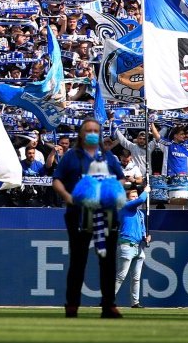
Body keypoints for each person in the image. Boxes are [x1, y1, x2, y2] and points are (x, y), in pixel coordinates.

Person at [51, 118, 126, 319]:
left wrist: (114, 190)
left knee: (108, 261)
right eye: (88, 130)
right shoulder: (71, 156)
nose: (92, 133)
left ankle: (109, 305)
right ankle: (72, 305)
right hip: (78, 214)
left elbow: (120, 177)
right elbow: (56, 180)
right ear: (81, 134)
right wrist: (68, 197)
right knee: (78, 260)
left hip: (106, 214)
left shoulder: (108, 157)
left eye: (96, 130)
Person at [114, 187, 149, 309]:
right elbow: (141, 199)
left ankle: (135, 302)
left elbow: (142, 229)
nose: (135, 198)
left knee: (136, 278)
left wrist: (145, 238)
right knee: (121, 276)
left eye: (136, 196)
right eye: (132, 196)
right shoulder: (126, 206)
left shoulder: (140, 214)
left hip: (138, 247)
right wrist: (146, 190)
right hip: (127, 245)